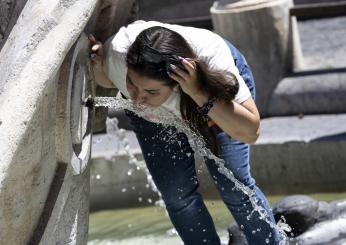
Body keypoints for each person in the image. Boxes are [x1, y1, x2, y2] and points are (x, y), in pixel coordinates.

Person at [89, 20, 281, 245]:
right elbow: (106, 77)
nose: (137, 98)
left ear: (176, 85)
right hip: (156, 117)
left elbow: (250, 133)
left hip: (212, 96)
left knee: (234, 187)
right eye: (131, 83)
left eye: (151, 91)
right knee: (177, 196)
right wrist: (96, 63)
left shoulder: (214, 63)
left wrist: (199, 94)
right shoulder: (117, 55)